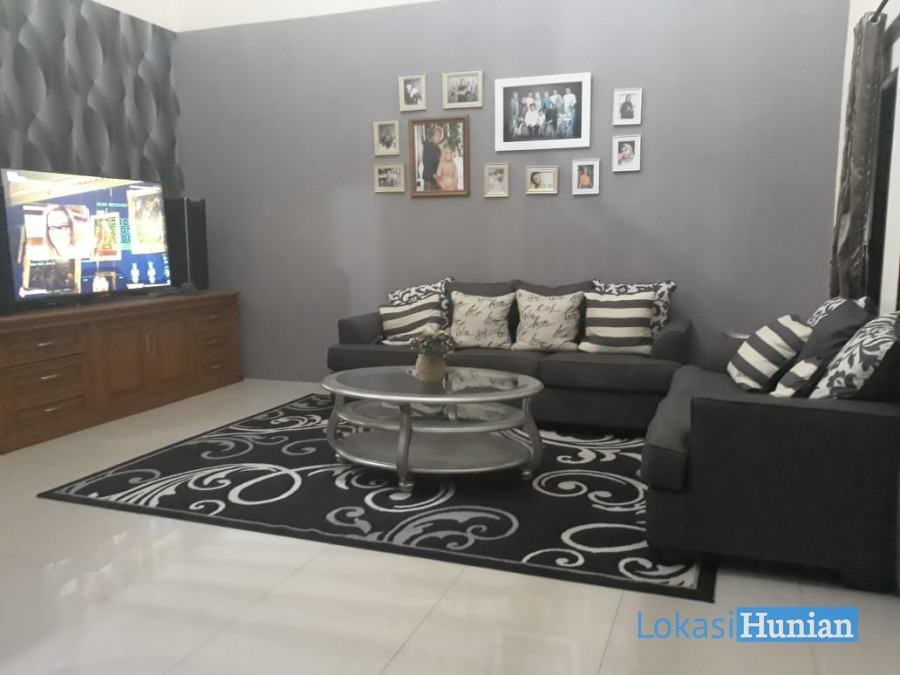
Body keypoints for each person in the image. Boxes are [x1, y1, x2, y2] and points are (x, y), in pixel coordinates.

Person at [421, 125, 445, 190]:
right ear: (432, 136)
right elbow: (426, 162)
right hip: (430, 180)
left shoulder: (437, 147)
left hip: (435, 180)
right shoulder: (429, 146)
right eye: (436, 135)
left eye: (439, 136)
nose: (438, 137)